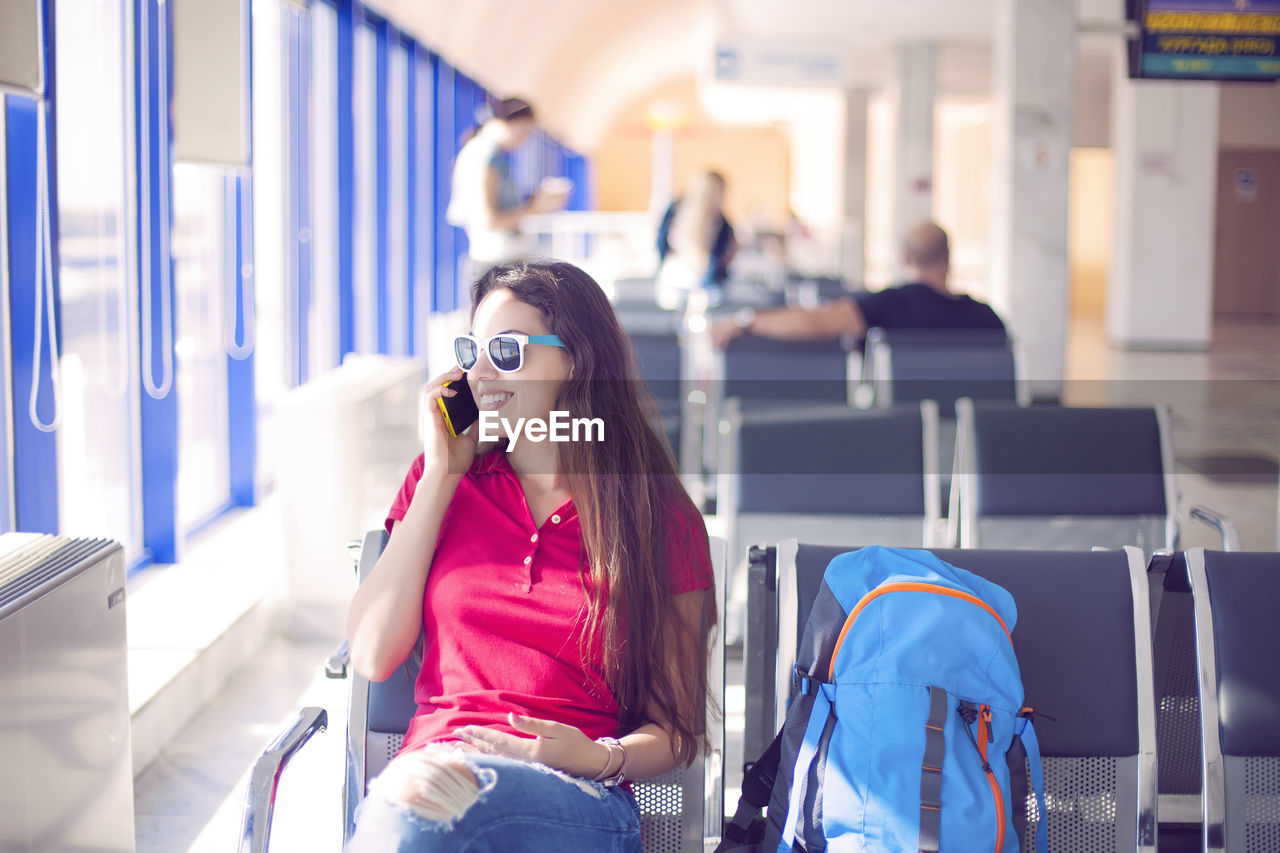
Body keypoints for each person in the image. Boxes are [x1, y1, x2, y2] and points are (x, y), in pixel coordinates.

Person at [345, 261, 717, 852]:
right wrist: (442, 473)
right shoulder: (442, 482)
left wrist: (596, 757)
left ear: (576, 360)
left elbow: (676, 733)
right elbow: (370, 652)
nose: (482, 372)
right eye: (473, 351)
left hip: (575, 796)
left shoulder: (655, 517)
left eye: (508, 351)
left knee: (412, 822)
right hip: (431, 773)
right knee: (416, 813)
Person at [710, 221, 1005, 348]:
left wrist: (745, 321)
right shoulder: (988, 318)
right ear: (948, 259)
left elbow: (814, 322)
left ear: (905, 259)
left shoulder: (891, 305)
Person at [446, 98, 571, 272]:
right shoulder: (484, 157)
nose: (525, 140)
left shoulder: (488, 154)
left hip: (498, 259)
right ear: (507, 123)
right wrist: (534, 207)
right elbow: (489, 220)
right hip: (496, 262)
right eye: (524, 132)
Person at [655, 171, 738, 309]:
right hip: (675, 280)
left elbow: (717, 260)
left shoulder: (722, 224)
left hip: (705, 285)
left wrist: (703, 289)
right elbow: (661, 243)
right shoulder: (676, 210)